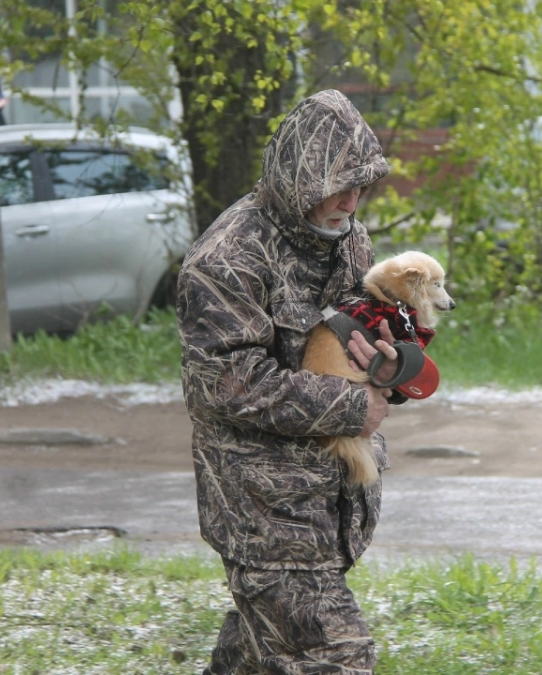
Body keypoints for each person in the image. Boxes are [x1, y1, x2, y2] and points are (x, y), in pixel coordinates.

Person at [176, 89, 402, 675]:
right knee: (336, 658)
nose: (352, 202)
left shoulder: (348, 240)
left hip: (329, 506)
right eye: (338, 186)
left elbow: (357, 341)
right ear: (299, 178)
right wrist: (352, 407)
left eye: (362, 188)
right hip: (266, 515)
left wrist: (391, 368)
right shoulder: (225, 258)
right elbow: (226, 382)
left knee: (253, 659)